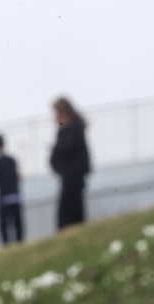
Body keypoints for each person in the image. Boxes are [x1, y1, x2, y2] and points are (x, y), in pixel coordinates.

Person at [49, 97, 91, 230]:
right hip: (66, 176)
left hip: (74, 175)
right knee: (65, 212)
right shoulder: (64, 130)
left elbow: (66, 150)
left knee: (71, 211)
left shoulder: (75, 129)